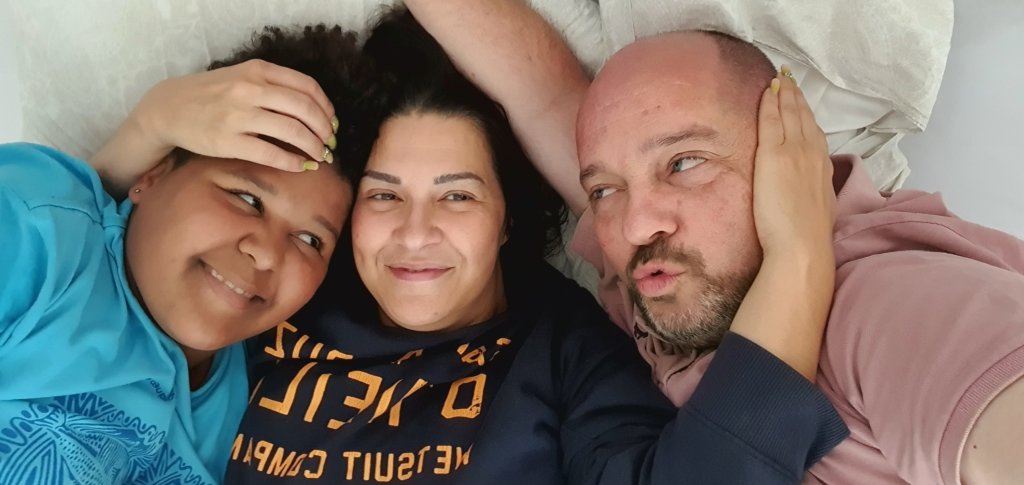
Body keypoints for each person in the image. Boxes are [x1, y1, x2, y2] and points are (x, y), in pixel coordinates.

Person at [95, 8, 849, 483]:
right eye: (384, 195)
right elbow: (87, 283)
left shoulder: (564, 347)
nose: (414, 232)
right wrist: (149, 129)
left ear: (508, 215)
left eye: (457, 195)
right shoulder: (284, 280)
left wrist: (799, 258)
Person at [416, 1, 1024, 483]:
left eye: (684, 163)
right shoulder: (669, 269)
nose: (635, 225)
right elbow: (539, 91)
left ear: (786, 153)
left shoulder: (891, 304)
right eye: (603, 189)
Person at [0, 26, 361, 484]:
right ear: (153, 174)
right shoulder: (43, 232)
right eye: (246, 199)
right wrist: (149, 125)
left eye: (311, 241)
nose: (267, 254)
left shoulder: (268, 407)